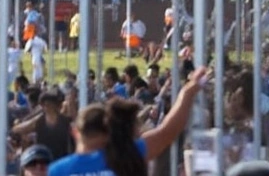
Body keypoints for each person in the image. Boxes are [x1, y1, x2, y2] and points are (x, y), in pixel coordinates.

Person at [46, 67, 208, 176]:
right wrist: (188, 91)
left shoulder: (57, 170)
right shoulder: (128, 155)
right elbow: (168, 131)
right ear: (109, 131)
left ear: (75, 132)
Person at [11, 92, 73, 160]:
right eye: (47, 105)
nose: (49, 107)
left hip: (60, 158)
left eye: (52, 105)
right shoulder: (39, 121)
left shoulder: (66, 122)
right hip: (44, 159)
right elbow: (17, 129)